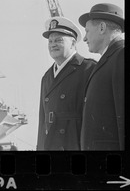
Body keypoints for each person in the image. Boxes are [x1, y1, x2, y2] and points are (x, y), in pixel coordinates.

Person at [37, 17, 96, 151]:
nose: (53, 44)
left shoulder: (88, 69)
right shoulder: (46, 77)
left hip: (75, 145)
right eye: (50, 41)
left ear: (73, 43)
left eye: (58, 40)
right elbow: (42, 121)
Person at [78, 3, 124, 150]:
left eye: (87, 31)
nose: (84, 39)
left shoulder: (121, 56)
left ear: (102, 28)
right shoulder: (110, 59)